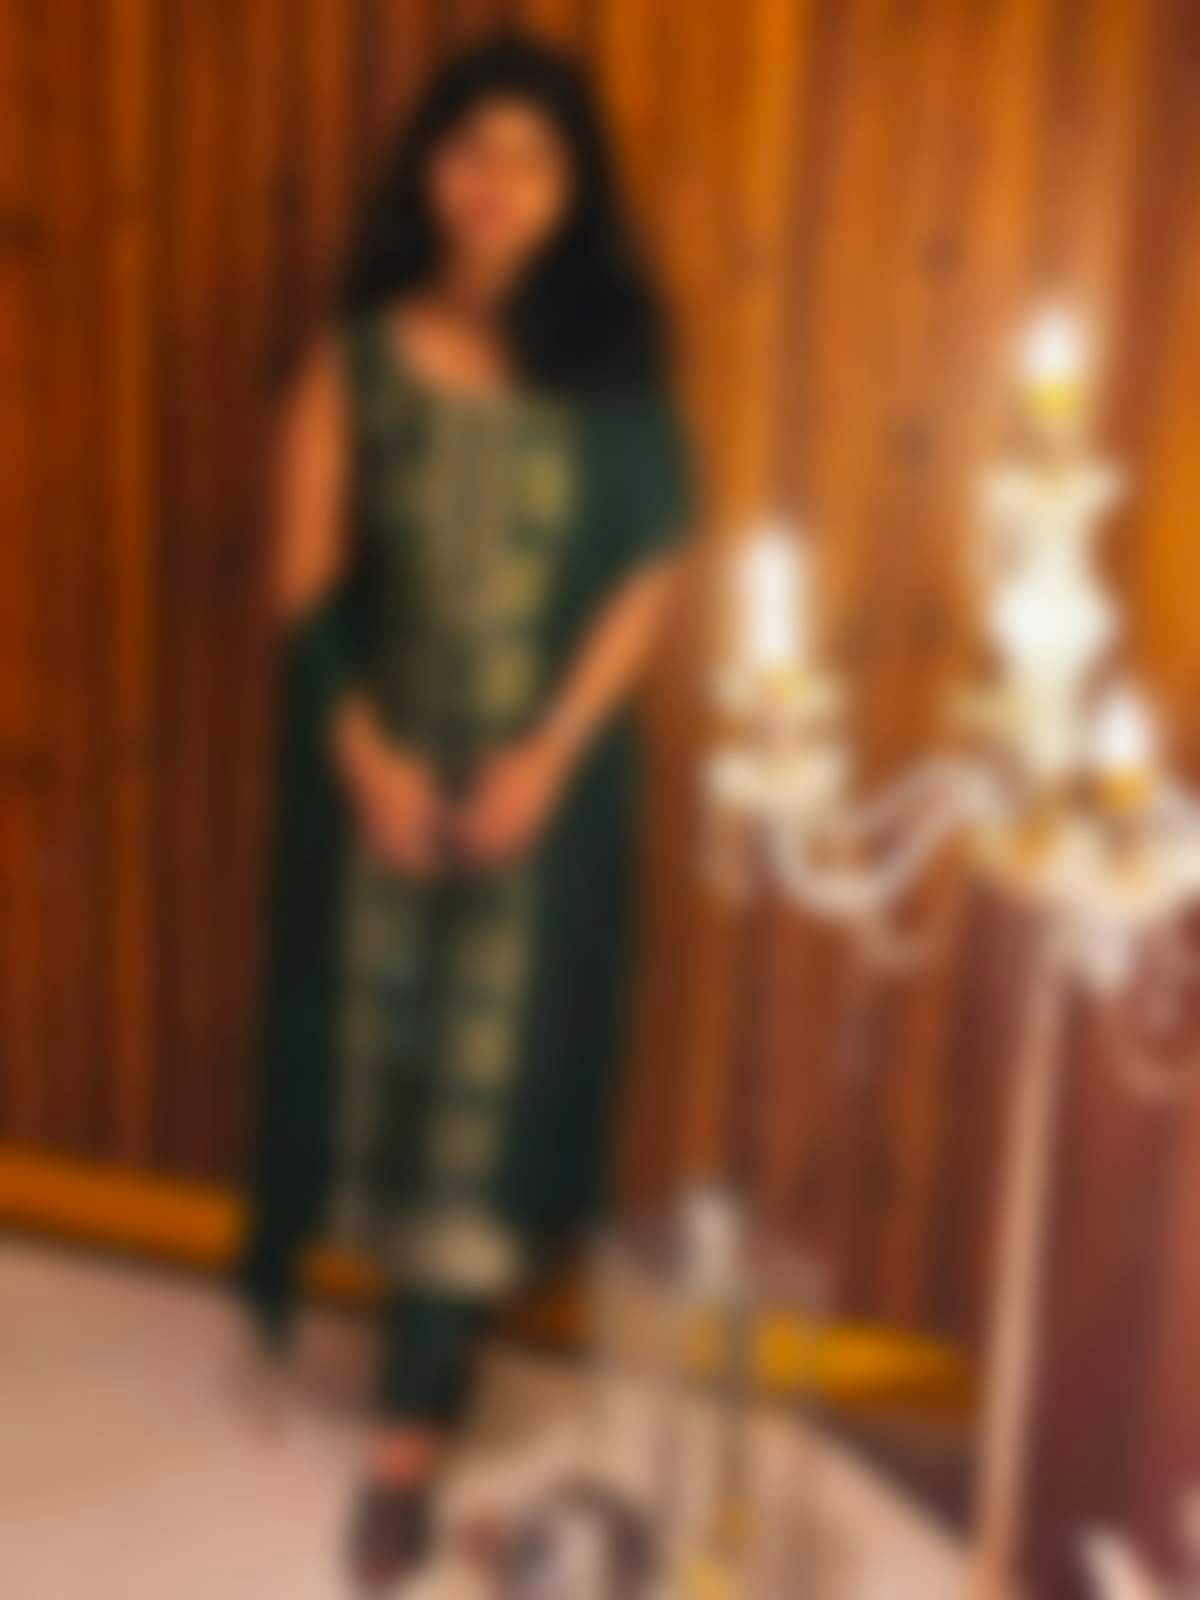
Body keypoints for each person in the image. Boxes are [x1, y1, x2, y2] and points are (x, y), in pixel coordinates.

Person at [236, 32, 692, 1590]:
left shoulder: (610, 372)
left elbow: (651, 570)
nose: (495, 182)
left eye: (532, 157)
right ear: (430, 168)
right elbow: (304, 574)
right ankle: (410, 1348)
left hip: (536, 791)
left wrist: (549, 754)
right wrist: (361, 759)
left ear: (573, 190)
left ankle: (409, 1440)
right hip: (378, 772)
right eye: (469, 148)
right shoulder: (360, 357)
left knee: (490, 1100)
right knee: (386, 1068)